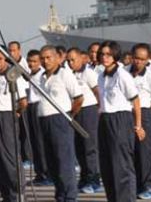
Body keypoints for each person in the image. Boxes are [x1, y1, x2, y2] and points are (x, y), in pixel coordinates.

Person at [97, 41, 144, 202]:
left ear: (115, 55)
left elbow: (135, 101)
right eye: (102, 54)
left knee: (121, 165)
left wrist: (138, 125)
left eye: (109, 54)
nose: (105, 57)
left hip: (120, 120)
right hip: (105, 120)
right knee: (107, 165)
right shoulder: (101, 76)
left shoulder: (122, 75)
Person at [39, 45, 83, 202]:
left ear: (57, 58)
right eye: (42, 58)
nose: (45, 61)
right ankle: (60, 194)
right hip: (44, 121)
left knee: (64, 160)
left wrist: (69, 115)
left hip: (60, 120)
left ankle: (70, 195)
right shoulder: (41, 76)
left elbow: (79, 98)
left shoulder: (65, 74)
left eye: (48, 57)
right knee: (52, 161)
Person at [0, 48, 28, 202]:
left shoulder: (14, 75)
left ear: (6, 59)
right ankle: (6, 195)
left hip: (6, 116)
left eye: (0, 58)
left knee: (9, 158)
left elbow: (23, 102)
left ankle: (18, 194)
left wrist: (14, 115)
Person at [128, 43, 151, 200]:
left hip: (145, 113)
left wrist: (145, 116)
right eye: (136, 58)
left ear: (147, 60)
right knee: (131, 151)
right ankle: (135, 185)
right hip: (127, 114)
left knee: (145, 152)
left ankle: (149, 185)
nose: (138, 62)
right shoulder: (123, 72)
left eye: (142, 59)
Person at [66, 47, 103, 194]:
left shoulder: (88, 73)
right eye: (68, 60)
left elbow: (97, 92)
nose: (70, 63)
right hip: (76, 112)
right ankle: (84, 177)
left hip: (89, 111)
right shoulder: (69, 74)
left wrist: (100, 109)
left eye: (73, 60)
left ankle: (94, 179)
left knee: (90, 147)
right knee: (79, 147)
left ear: (81, 58)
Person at [25, 49, 51, 186]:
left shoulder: (42, 74)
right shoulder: (30, 74)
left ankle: (46, 173)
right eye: (29, 61)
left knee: (41, 142)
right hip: (30, 106)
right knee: (34, 142)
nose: (31, 64)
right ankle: (39, 172)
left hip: (39, 106)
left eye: (34, 61)